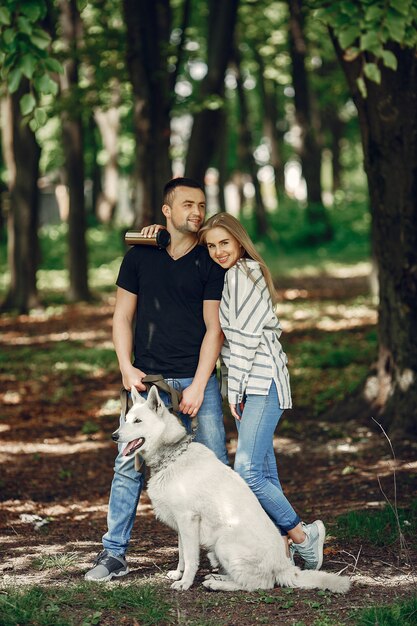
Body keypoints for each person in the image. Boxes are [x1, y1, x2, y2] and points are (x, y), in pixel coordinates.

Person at [85, 178, 229, 582]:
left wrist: (200, 385)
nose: (196, 212)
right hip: (147, 382)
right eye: (187, 204)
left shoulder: (208, 259)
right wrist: (125, 367)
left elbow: (213, 330)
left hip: (196, 378)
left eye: (201, 205)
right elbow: (122, 317)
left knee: (214, 465)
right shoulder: (139, 257)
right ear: (167, 210)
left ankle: (219, 549)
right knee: (128, 465)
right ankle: (114, 553)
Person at [198, 212, 325, 570]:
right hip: (248, 383)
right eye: (211, 246)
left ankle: (303, 535)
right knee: (265, 470)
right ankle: (280, 544)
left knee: (248, 470)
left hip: (262, 382)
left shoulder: (245, 273)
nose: (219, 251)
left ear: (240, 241)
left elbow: (246, 340)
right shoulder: (230, 275)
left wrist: (234, 391)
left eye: (225, 242)